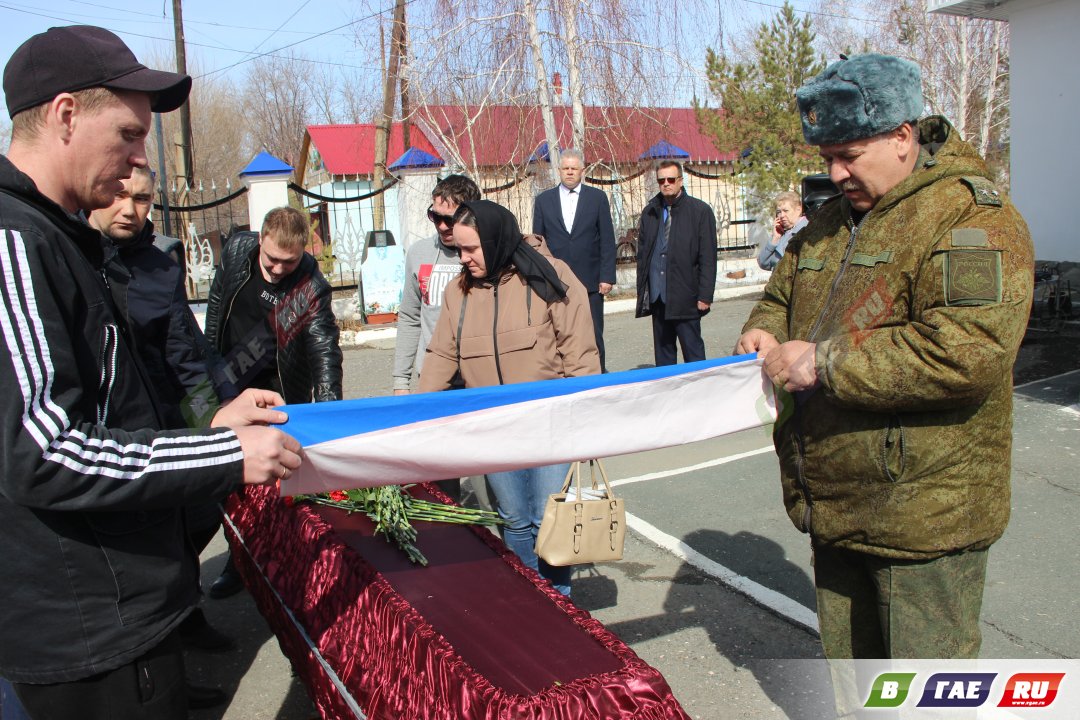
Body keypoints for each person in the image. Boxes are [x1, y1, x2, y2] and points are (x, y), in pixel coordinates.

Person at [0, 25, 301, 720]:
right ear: (66, 114)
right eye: (130, 134)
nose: (140, 159)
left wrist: (211, 417)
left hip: (122, 605)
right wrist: (224, 451)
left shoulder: (62, 235)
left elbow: (116, 400)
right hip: (90, 628)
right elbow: (44, 449)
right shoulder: (16, 241)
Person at [735, 53, 1034, 660]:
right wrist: (762, 329)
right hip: (835, 507)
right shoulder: (828, 222)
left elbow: (965, 352)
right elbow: (781, 294)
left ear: (902, 137)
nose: (837, 173)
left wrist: (824, 363)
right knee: (857, 686)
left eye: (849, 155)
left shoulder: (969, 217)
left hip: (922, 518)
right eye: (827, 159)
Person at [89, 166, 236, 708]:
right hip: (107, 437)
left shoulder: (159, 265)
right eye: (119, 194)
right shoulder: (79, 260)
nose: (129, 208)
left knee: (196, 521)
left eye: (143, 198)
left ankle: (185, 622)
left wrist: (213, 428)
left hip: (166, 423)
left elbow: (185, 355)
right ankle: (159, 666)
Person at [418, 200, 600, 596]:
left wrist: (586, 421)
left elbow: (580, 352)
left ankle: (560, 607)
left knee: (547, 518)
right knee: (515, 521)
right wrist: (410, 416)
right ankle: (532, 601)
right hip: (494, 428)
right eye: (458, 250)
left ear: (496, 240)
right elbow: (441, 356)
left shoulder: (550, 276)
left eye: (470, 249)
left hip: (550, 424)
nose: (462, 258)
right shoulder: (458, 293)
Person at [203, 205, 344, 598]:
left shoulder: (310, 287)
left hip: (277, 393)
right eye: (272, 260)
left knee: (271, 485)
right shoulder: (236, 253)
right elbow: (216, 309)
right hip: (228, 385)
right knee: (223, 478)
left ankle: (268, 565)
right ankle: (239, 556)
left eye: (290, 261)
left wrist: (328, 414)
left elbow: (324, 351)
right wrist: (208, 372)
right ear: (260, 238)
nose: (280, 269)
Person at [393, 174, 481, 394]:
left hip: (478, 378)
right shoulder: (419, 253)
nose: (441, 226)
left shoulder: (485, 255)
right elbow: (410, 317)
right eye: (435, 216)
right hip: (433, 378)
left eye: (449, 219)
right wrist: (401, 381)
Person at [532, 148, 616, 370]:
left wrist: (607, 277)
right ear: (559, 170)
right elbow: (538, 242)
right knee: (558, 333)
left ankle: (598, 375)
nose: (569, 172)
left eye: (574, 169)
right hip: (556, 282)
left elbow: (607, 239)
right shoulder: (543, 201)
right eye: (565, 168)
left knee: (594, 333)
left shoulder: (597, 198)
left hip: (591, 281)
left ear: (582, 170)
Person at [634, 160, 717, 366]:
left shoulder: (700, 211)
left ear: (681, 180)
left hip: (686, 297)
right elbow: (644, 254)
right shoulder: (650, 212)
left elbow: (708, 257)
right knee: (664, 359)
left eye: (671, 179)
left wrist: (705, 295)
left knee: (694, 356)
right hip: (658, 298)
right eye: (661, 180)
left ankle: (699, 394)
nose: (666, 184)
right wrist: (645, 291)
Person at [756, 191, 807, 271]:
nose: (782, 215)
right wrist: (775, 239)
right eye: (779, 212)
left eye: (786, 211)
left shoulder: (807, 230)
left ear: (798, 210)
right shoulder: (782, 234)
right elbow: (762, 263)